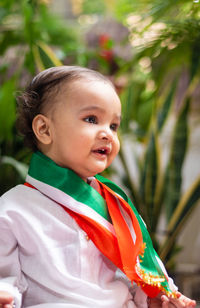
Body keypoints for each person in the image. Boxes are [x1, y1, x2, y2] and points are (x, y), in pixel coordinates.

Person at [0, 66, 196, 308]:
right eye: (91, 119)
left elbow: (136, 275)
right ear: (44, 129)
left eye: (114, 126)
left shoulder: (118, 206)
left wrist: (155, 299)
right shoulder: (12, 209)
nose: (107, 134)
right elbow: (5, 280)